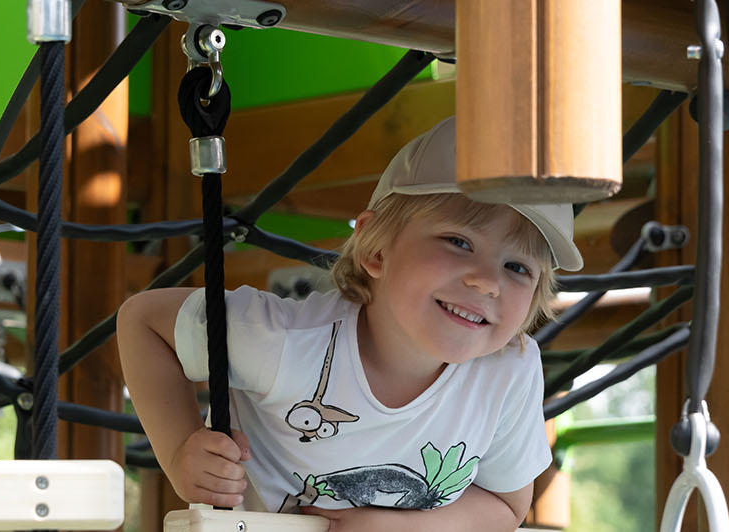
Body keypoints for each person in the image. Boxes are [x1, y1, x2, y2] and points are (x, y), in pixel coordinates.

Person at [118, 116, 584, 531]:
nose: (487, 282)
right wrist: (180, 452)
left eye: (518, 268)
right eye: (458, 242)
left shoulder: (509, 373)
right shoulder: (287, 345)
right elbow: (143, 321)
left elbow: (507, 505)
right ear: (376, 250)